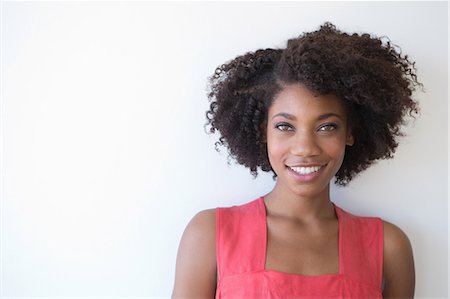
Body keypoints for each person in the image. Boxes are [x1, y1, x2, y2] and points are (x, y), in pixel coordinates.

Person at [172, 22, 419, 298]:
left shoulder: (389, 247)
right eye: (285, 126)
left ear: (350, 132)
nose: (305, 148)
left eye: (327, 127)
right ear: (262, 131)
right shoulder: (209, 235)